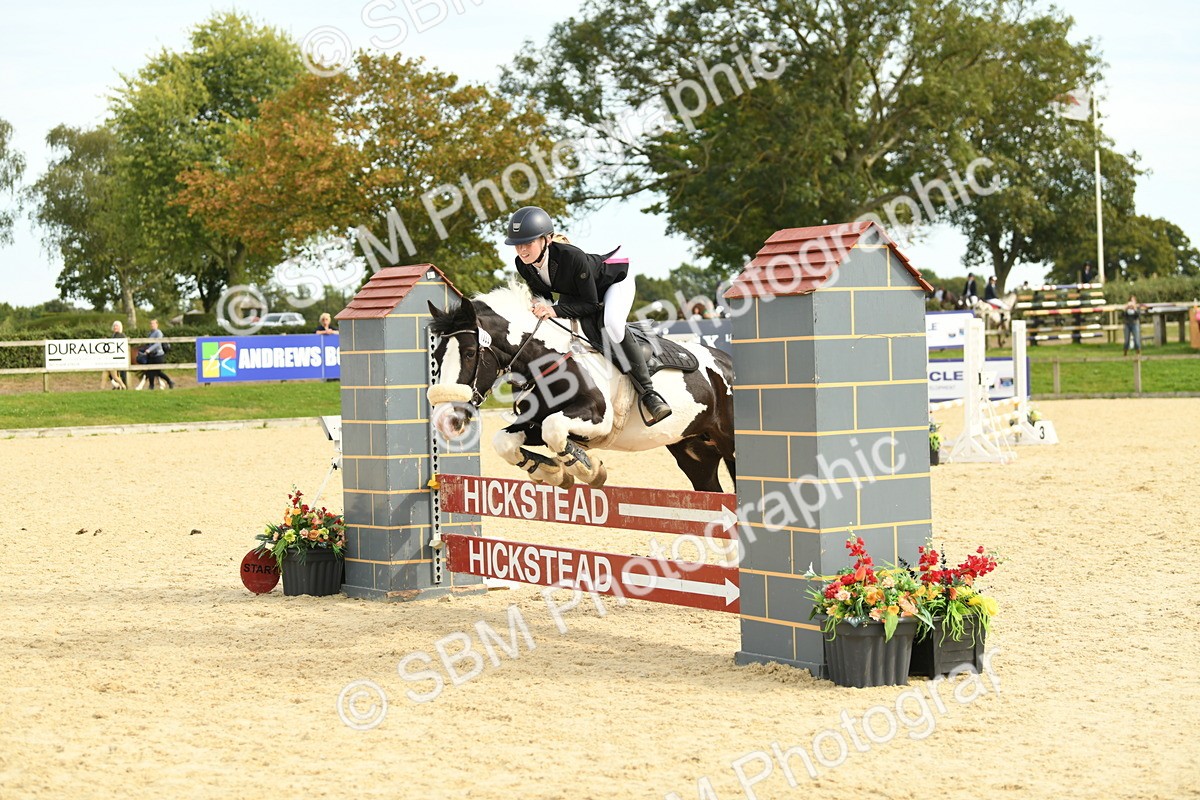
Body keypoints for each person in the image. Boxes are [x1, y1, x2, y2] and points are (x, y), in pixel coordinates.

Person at [504, 205, 672, 425]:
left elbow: (591, 304)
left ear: (547, 239)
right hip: (577, 292)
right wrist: (538, 304)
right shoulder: (522, 264)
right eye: (517, 245)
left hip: (614, 281)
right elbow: (544, 297)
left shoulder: (571, 257)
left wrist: (552, 309)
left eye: (528, 243)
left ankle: (650, 394)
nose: (522, 250)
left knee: (611, 324)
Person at [142, 319, 174, 390]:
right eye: (151, 324)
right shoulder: (150, 333)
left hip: (158, 355)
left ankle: (169, 381)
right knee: (150, 371)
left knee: (157, 371)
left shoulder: (158, 332)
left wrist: (149, 350)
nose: (152, 325)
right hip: (151, 355)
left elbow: (158, 343)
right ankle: (151, 386)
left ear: (157, 324)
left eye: (153, 324)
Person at [104, 320, 128, 390]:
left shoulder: (121, 335)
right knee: (112, 373)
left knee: (119, 373)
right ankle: (118, 385)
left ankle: (122, 385)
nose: (115, 327)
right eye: (114, 326)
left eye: (117, 326)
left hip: (120, 357)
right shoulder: (114, 335)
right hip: (114, 357)